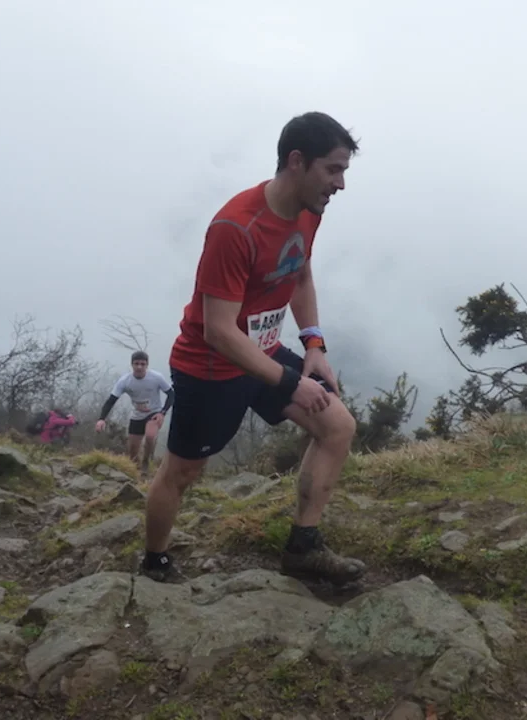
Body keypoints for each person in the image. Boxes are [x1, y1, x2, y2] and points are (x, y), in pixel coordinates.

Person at [140, 112, 362, 586]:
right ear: (297, 161)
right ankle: (154, 562)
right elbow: (218, 331)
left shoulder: (309, 211)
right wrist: (291, 383)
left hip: (261, 350)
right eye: (333, 170)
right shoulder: (235, 227)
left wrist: (313, 344)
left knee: (337, 426)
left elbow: (299, 273)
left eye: (343, 171)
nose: (340, 184)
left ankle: (303, 548)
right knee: (183, 471)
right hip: (210, 367)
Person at [95, 351, 175, 476]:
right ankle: (135, 471)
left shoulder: (156, 377)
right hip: (137, 415)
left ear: (147, 365)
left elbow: (171, 394)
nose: (139, 367)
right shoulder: (125, 381)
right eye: (136, 364)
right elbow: (111, 400)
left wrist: (162, 413)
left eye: (142, 364)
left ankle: (146, 461)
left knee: (150, 436)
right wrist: (101, 419)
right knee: (132, 450)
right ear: (132, 364)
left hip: (154, 412)